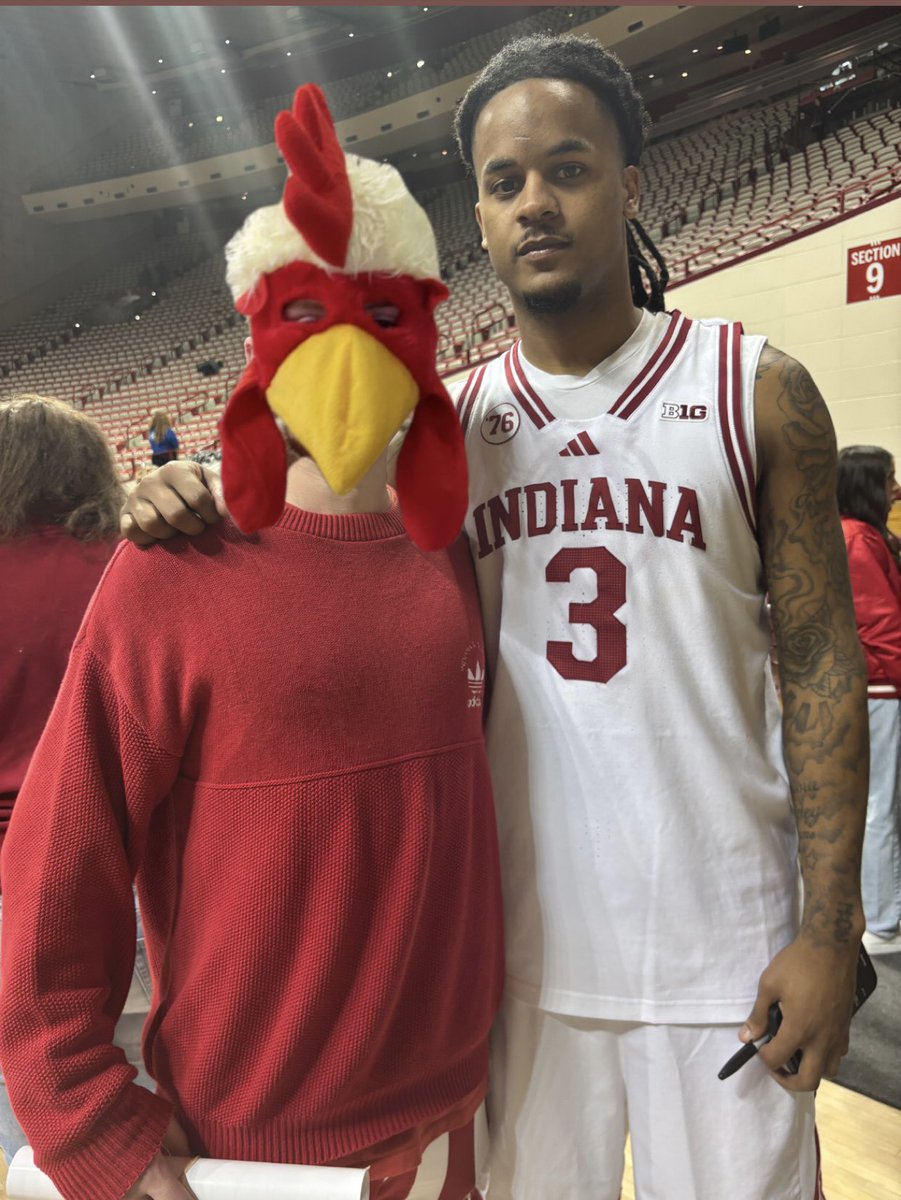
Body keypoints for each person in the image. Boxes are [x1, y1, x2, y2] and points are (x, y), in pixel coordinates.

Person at [120, 36, 869, 1200]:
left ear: (629, 184)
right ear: (475, 217)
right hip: (511, 968)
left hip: (727, 948)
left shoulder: (753, 386)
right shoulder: (444, 426)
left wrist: (833, 932)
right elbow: (293, 528)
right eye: (504, 181)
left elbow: (826, 663)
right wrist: (184, 491)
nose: (535, 202)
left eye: (567, 169)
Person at [0, 89, 502, 1200]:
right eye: (312, 319)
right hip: (256, 1152)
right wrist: (92, 1129)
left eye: (380, 319)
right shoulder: (178, 562)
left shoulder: (450, 550)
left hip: (459, 1118)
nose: (349, 357)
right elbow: (55, 872)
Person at [0, 394, 154, 1162]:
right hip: (150, 880)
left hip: (16, 893)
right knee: (162, 1106)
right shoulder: (144, 560)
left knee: (39, 1131)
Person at [837, 445, 901, 955]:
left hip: (880, 686)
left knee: (881, 802)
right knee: (881, 804)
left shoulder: (867, 535)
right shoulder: (856, 538)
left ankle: (882, 908)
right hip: (882, 687)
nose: (895, 489)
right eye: (888, 479)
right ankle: (882, 921)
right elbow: (882, 629)